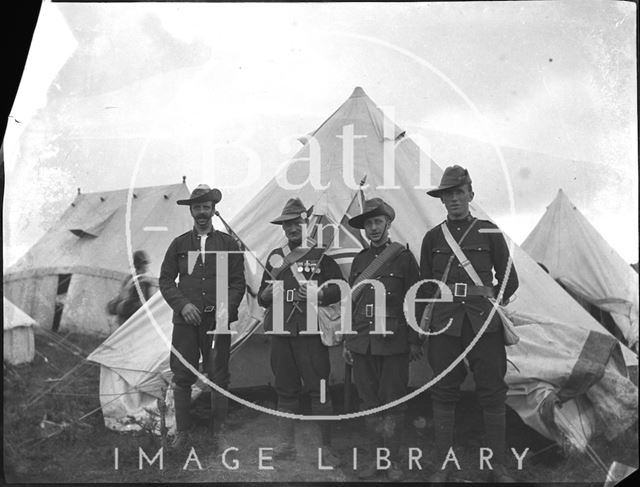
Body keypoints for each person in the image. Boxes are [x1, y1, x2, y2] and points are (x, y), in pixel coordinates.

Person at [420, 165, 519, 483]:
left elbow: (509, 280)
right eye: (448, 195)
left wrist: (491, 303)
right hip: (445, 326)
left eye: (459, 193)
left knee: (492, 391)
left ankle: (498, 466)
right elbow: (425, 285)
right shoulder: (433, 237)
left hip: (483, 325)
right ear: (443, 200)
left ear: (470, 195)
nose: (454, 200)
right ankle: (443, 465)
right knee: (443, 392)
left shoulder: (490, 231)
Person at [257, 198, 344, 466]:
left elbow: (340, 289)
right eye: (287, 224)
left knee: (319, 389)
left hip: (310, 333)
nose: (292, 228)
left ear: (306, 224)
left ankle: (324, 447)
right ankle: (287, 444)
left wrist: (320, 292)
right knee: (285, 389)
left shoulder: (322, 257)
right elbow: (261, 297)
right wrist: (266, 295)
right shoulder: (275, 258)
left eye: (296, 222)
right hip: (281, 332)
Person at [159, 184, 246, 450]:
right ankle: (182, 433)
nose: (201, 212)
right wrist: (183, 305)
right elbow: (165, 281)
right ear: (191, 211)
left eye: (205, 207)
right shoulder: (179, 244)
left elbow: (237, 283)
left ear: (213, 209)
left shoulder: (227, 243)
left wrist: (224, 311)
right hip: (186, 322)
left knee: (219, 375)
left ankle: (219, 433)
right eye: (196, 208)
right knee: (182, 375)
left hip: (217, 322)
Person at [343, 197, 422, 481]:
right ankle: (376, 459)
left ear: (388, 224)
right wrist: (347, 341)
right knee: (369, 403)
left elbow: (415, 301)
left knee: (392, 403)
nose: (373, 228)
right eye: (368, 224)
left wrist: (415, 341)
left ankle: (394, 461)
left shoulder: (403, 257)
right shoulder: (360, 260)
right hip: (362, 342)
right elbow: (351, 303)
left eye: (378, 222)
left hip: (393, 343)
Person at [114, 250, 154, 325]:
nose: (147, 266)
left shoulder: (129, 278)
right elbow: (145, 302)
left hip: (123, 317)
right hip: (135, 319)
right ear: (141, 265)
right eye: (145, 263)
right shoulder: (144, 282)